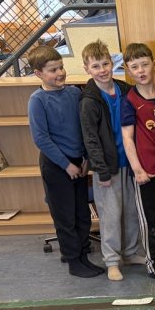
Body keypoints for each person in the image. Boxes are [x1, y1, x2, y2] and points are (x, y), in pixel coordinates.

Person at [27, 45, 100, 278]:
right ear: (38, 74)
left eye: (61, 67)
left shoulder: (74, 94)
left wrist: (86, 158)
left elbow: (84, 127)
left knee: (82, 214)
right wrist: (66, 165)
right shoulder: (37, 100)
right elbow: (41, 138)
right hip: (57, 165)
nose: (59, 73)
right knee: (65, 216)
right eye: (52, 70)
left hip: (79, 162)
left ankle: (83, 254)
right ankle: (73, 261)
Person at [79, 39, 138, 281]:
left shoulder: (125, 90)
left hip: (130, 163)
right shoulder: (89, 100)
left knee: (131, 212)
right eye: (96, 66)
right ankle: (112, 260)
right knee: (111, 216)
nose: (102, 70)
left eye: (105, 64)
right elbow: (90, 139)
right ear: (87, 69)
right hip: (107, 168)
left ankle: (131, 253)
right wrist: (101, 170)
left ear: (112, 63)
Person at [119, 43, 155, 283]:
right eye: (135, 67)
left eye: (144, 65)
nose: (141, 71)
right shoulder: (129, 100)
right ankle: (154, 263)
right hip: (145, 172)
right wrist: (137, 170)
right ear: (128, 71)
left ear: (154, 64)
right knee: (150, 220)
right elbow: (127, 138)